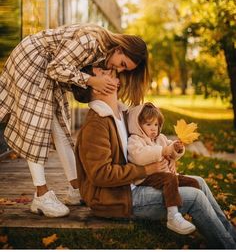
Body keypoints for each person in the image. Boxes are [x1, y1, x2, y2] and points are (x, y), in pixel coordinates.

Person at [74, 66, 236, 249]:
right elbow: (101, 174)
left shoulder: (122, 115)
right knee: (195, 197)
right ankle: (228, 246)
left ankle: (231, 235)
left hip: (137, 184)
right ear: (96, 87)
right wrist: (147, 169)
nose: (110, 72)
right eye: (103, 74)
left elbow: (148, 143)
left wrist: (170, 156)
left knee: (200, 183)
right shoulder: (96, 125)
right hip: (117, 198)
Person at [0, 23, 149, 218]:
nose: (118, 70)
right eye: (122, 64)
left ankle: (75, 187)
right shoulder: (91, 41)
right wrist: (92, 80)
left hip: (46, 67)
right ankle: (41, 195)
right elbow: (56, 68)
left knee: (60, 127)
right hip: (32, 60)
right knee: (35, 125)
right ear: (120, 49)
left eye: (124, 69)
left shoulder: (104, 51)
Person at [127, 102, 200, 235]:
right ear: (137, 125)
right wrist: (162, 151)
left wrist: (177, 149)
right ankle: (173, 216)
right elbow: (139, 156)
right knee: (170, 179)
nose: (153, 128)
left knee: (193, 183)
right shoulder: (135, 139)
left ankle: (192, 213)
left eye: (156, 124)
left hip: (164, 175)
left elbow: (170, 149)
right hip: (145, 177)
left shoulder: (160, 138)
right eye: (148, 124)